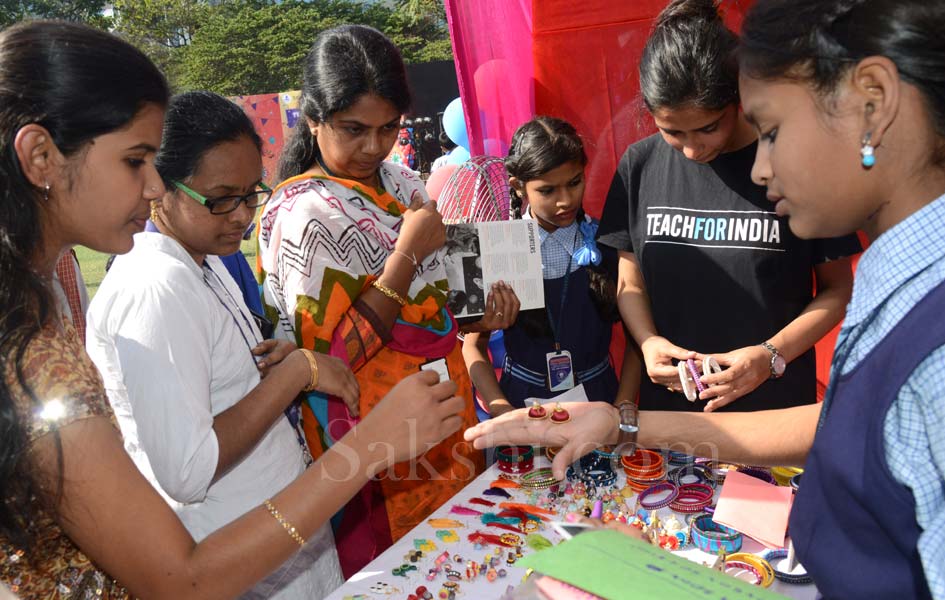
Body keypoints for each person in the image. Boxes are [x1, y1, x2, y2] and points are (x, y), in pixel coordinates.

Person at [466, 0, 945, 596]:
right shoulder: (901, 278)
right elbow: (842, 427)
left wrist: (767, 358)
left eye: (768, 131)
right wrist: (625, 422)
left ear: (872, 103)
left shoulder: (933, 328)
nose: (761, 168)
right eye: (675, 132)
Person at [0, 20, 465, 599]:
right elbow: (183, 574)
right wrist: (366, 447)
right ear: (41, 156)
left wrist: (284, 367)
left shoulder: (96, 289)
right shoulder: (52, 338)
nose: (152, 188)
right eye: (135, 161)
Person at [256, 24, 517, 574]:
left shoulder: (402, 184)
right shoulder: (305, 216)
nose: (373, 147)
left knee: (465, 566)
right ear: (313, 119)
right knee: (402, 574)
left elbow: (440, 304)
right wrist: (406, 255)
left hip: (444, 427)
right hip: (376, 448)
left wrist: (479, 318)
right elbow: (328, 361)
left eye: (387, 128)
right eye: (354, 129)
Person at [84, 91, 349, 598]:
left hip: (275, 539)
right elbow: (188, 470)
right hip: (239, 554)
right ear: (162, 187)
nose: (242, 216)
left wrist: (275, 363)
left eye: (252, 193)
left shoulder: (201, 259)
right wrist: (298, 374)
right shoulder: (156, 285)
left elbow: (217, 387)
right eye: (222, 197)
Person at [597, 0, 861, 412]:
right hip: (672, 418)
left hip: (772, 413)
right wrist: (648, 343)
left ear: (738, 97)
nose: (690, 149)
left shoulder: (794, 163)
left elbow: (839, 289)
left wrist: (770, 356)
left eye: (707, 127)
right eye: (671, 131)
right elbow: (630, 284)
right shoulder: (639, 165)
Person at [463, 117, 638, 417]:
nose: (566, 200)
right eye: (548, 191)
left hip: (600, 405)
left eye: (574, 183)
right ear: (519, 187)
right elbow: (472, 346)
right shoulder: (494, 248)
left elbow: (638, 336)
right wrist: (501, 408)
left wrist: (623, 407)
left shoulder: (609, 241)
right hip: (521, 408)